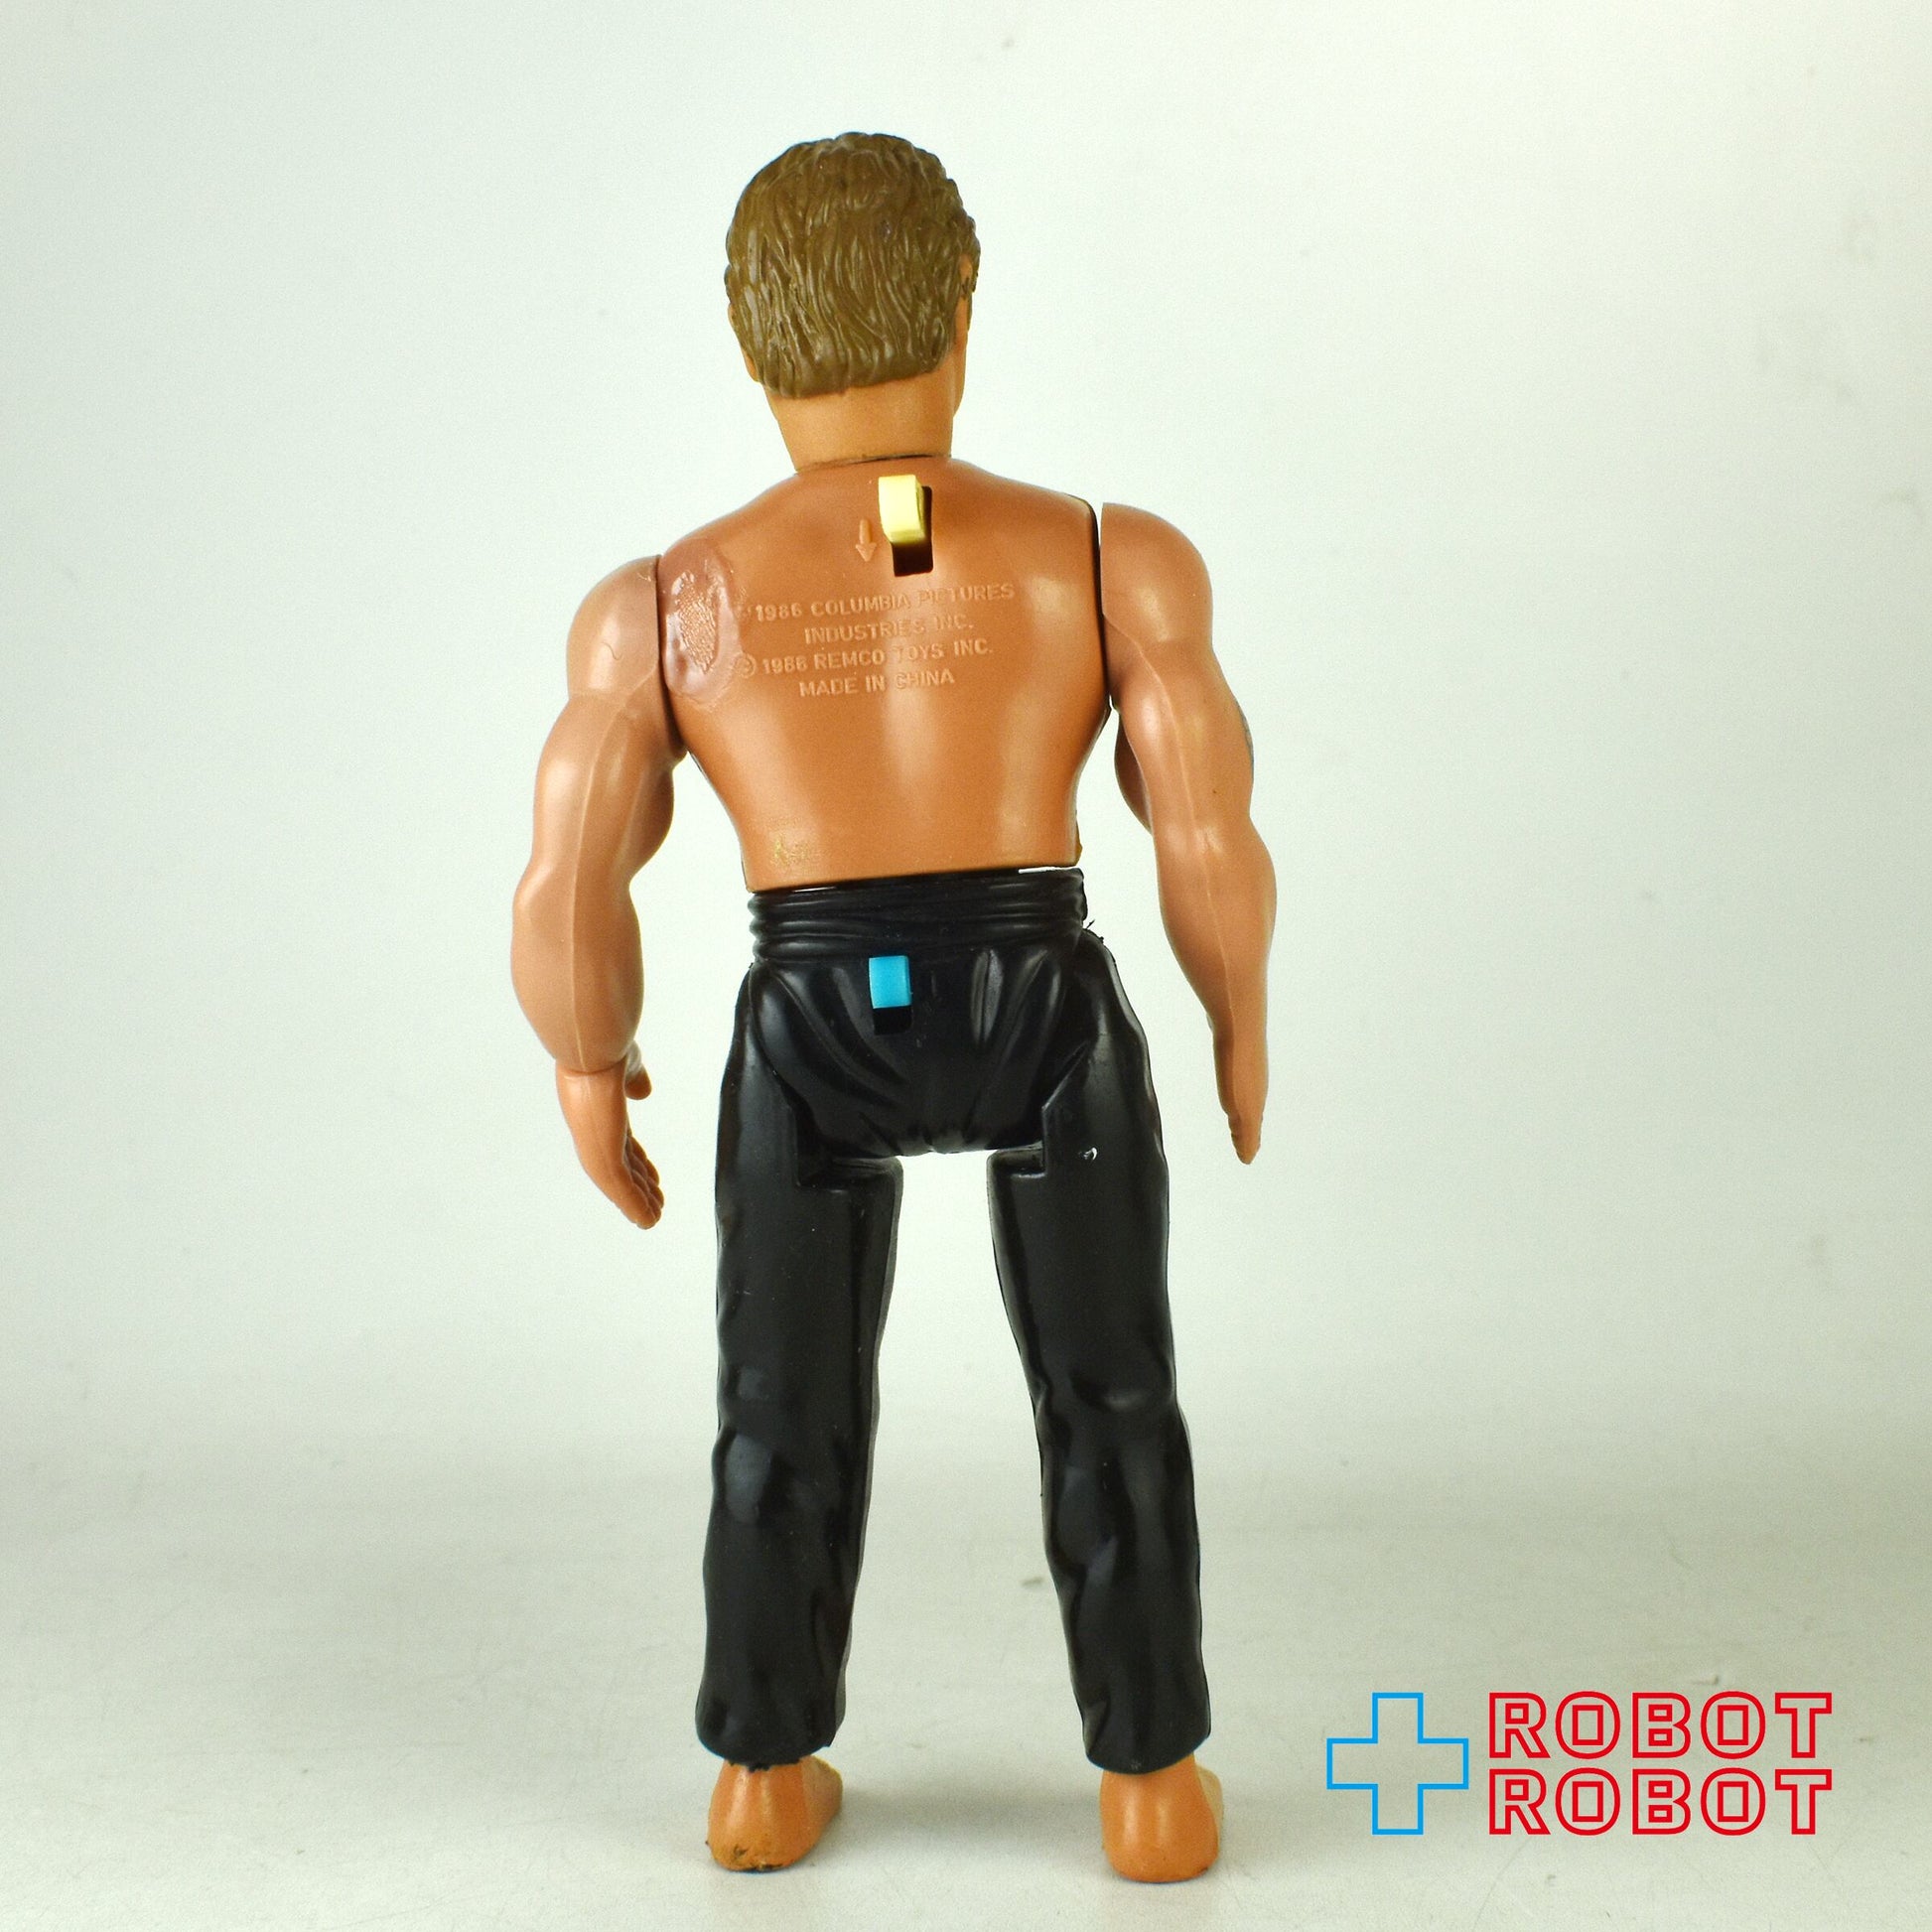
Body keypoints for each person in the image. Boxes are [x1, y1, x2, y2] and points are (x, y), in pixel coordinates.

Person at [511, 132, 1274, 1883]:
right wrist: (1235, 1012)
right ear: (962, 304)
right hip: (1039, 995)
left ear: (749, 341)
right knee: (1111, 1394)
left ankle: (760, 1773)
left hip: (811, 1014)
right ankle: (1152, 1782)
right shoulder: (1105, 558)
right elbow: (1203, 824)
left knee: (779, 1409)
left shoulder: (664, 602)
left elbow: (570, 869)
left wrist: (584, 1056)